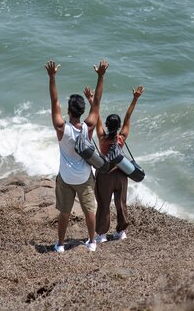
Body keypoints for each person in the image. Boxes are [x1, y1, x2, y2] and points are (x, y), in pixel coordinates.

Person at [45, 58, 109, 253]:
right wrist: (100, 76)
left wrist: (52, 77)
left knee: (64, 212)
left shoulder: (61, 129)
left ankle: (61, 244)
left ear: (68, 111)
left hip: (65, 177)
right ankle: (91, 241)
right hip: (84, 177)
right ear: (82, 112)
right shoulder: (88, 127)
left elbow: (53, 101)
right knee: (89, 209)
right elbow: (97, 101)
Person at [84, 85, 144, 243]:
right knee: (121, 202)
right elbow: (127, 118)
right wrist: (135, 98)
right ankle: (121, 231)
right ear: (117, 127)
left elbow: (96, 116)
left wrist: (91, 100)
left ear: (106, 125)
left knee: (104, 203)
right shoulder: (121, 138)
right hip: (122, 173)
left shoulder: (102, 137)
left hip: (105, 175)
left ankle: (102, 235)